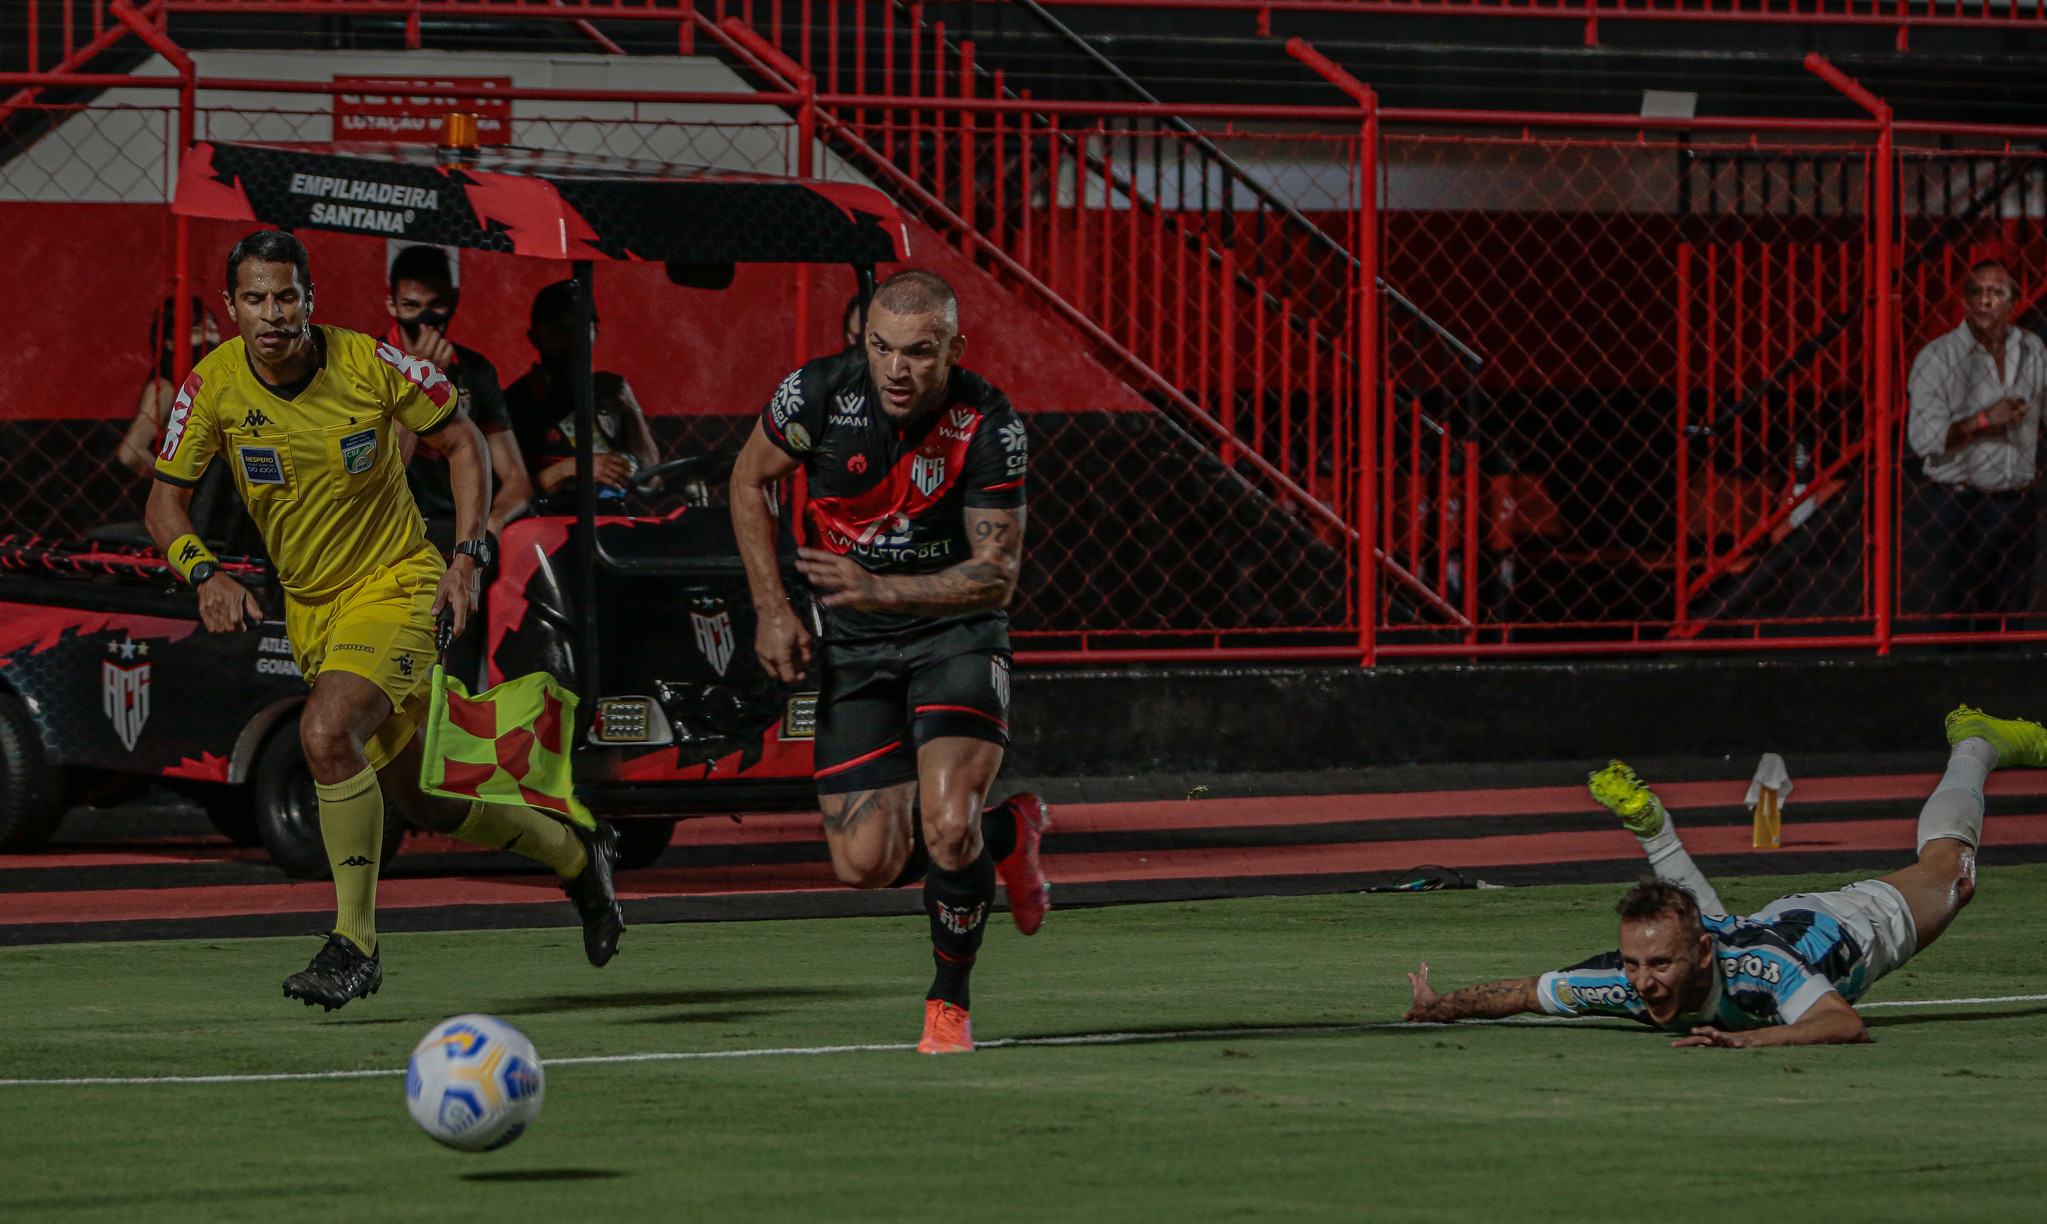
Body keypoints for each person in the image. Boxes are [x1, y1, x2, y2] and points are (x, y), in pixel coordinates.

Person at [146, 230, 623, 1012]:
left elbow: (463, 443)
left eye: (287, 296)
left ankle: (355, 945)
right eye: (257, 299)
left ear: (310, 299)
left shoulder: (371, 363)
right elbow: (164, 502)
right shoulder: (214, 387)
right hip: (313, 611)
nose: (274, 313)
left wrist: (468, 554)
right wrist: (205, 571)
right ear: (232, 309)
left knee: (326, 734)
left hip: (400, 586)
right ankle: (577, 852)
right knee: (426, 802)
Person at [730, 269, 1052, 1054]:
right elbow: (747, 481)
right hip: (857, 645)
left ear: (952, 349)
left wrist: (883, 586)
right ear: (861, 342)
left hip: (957, 635)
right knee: (863, 865)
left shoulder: (988, 423)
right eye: (881, 348)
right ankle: (1007, 837)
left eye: (917, 351)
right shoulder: (814, 394)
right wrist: (772, 610)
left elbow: (996, 574)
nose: (897, 369)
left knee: (945, 827)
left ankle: (949, 1002)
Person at [1402, 706, 2024, 1046]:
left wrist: (1749, 1043)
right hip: (1756, 926)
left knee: (1951, 873)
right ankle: (1656, 832)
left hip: (1856, 927)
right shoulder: (1624, 982)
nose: (1642, 983)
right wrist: (1440, 1006)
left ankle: (1975, 742)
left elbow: (1843, 1022)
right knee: (1717, 922)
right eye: (1635, 964)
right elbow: (1521, 994)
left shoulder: (1761, 973)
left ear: (1697, 958)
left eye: (1658, 967)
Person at [1905, 259, 2047, 621]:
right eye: (1976, 292)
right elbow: (1923, 440)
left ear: (2014, 301)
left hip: (2016, 505)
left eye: (1996, 292)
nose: (1985, 300)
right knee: (1953, 623)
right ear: (1965, 302)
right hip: (1958, 507)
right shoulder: (1937, 357)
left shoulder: (2034, 351)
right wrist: (1984, 419)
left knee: (2009, 624)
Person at [383, 245, 531, 545]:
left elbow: (517, 479)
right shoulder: (368, 364)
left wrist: (493, 520)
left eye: (435, 305)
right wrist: (424, 379)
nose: (424, 319)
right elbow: (382, 474)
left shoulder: (475, 370)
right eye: (411, 306)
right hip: (394, 527)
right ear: (392, 305)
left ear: (454, 301)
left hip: (463, 527)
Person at [504, 279, 659, 504]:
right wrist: (575, 468)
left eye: (576, 326)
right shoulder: (515, 402)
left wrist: (630, 409)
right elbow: (504, 494)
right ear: (535, 337)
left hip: (609, 519)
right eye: (557, 328)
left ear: (594, 330)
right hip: (547, 525)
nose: (568, 337)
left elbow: (650, 479)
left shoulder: (609, 393)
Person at [117, 297, 222, 478]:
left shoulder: (208, 384)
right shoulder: (165, 388)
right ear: (171, 343)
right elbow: (130, 452)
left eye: (212, 330)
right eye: (196, 331)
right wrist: (170, 483)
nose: (207, 338)